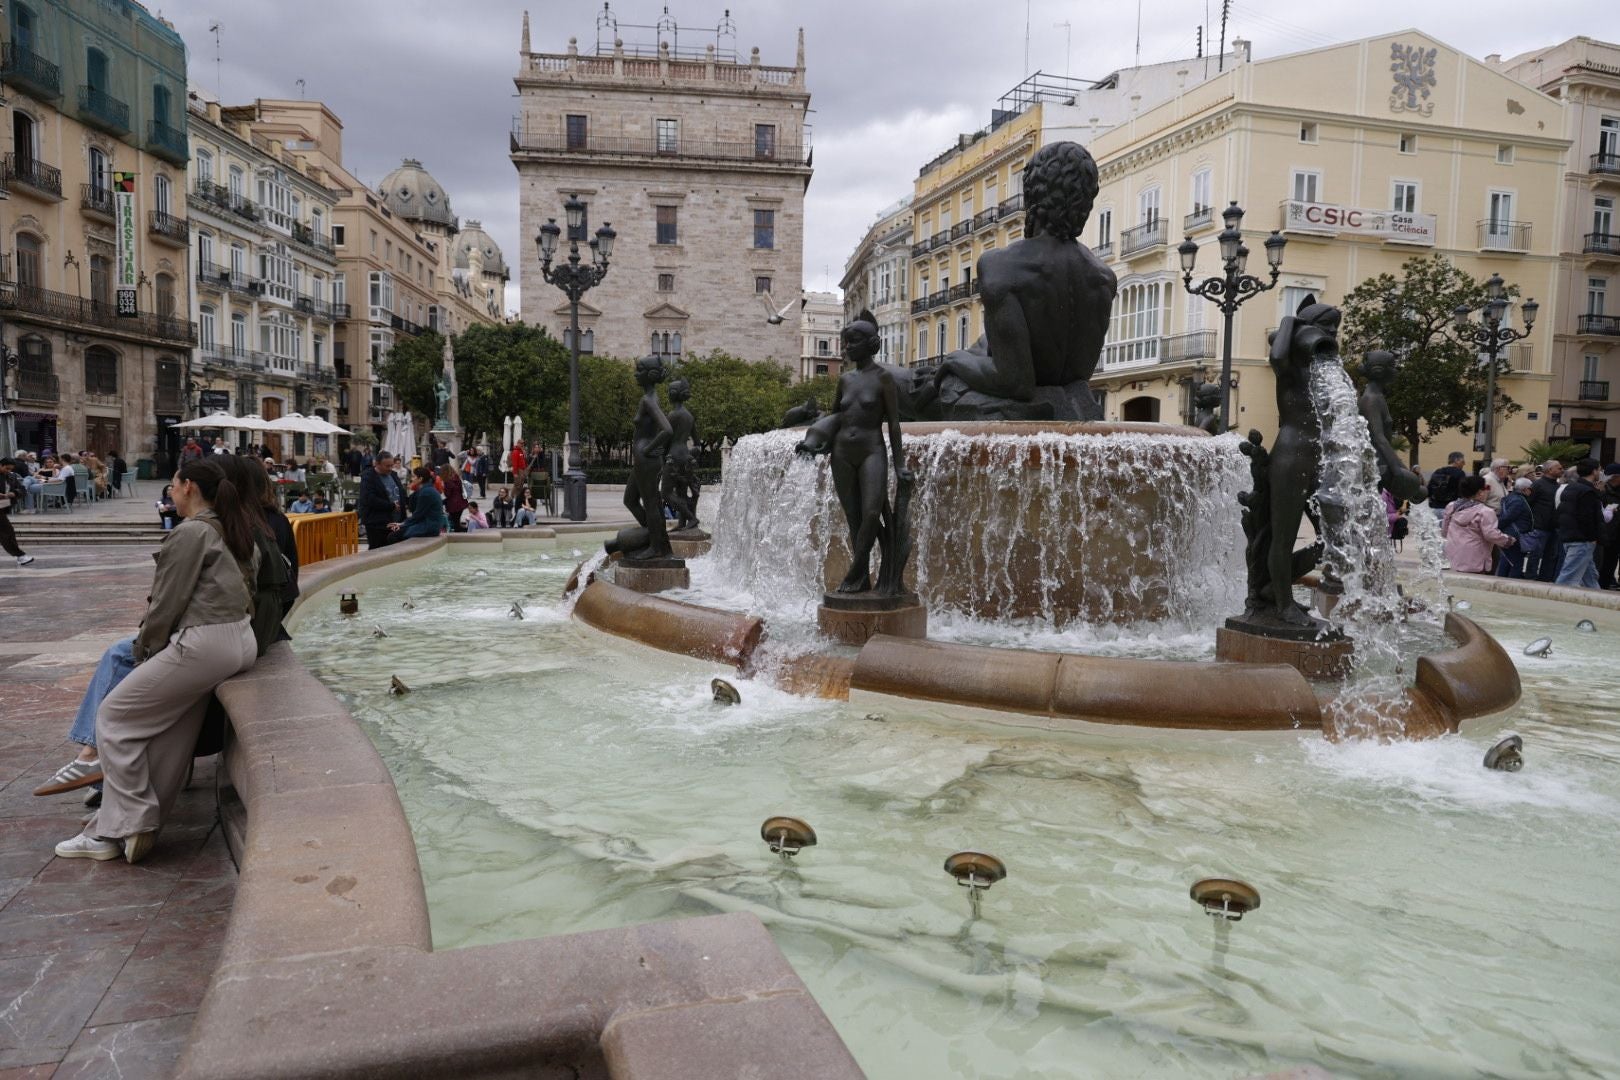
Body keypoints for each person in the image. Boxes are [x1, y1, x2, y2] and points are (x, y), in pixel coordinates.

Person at [52, 458, 260, 863]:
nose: (170, 491)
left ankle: (122, 824)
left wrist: (144, 651)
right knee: (172, 738)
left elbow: (166, 603)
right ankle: (128, 829)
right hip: (240, 639)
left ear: (190, 488)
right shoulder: (232, 527)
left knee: (112, 718)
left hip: (203, 643)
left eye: (174, 484)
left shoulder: (192, 531)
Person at [1442, 475, 1515, 574]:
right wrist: (1508, 540)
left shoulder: (1451, 507)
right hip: (1475, 560)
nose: (1487, 491)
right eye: (1486, 488)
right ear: (1480, 493)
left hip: (1452, 557)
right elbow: (1491, 534)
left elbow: (1444, 531)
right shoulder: (1485, 512)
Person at [1555, 458, 1604, 589]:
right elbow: (1586, 518)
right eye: (1599, 469)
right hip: (1582, 540)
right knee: (1567, 578)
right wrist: (1593, 538)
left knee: (1590, 577)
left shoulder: (1570, 488)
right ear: (1594, 471)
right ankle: (1554, 604)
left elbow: (1562, 512)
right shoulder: (1587, 491)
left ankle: (1596, 602)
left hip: (1570, 537)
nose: (1600, 472)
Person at [1525, 459, 1565, 582]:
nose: (1562, 470)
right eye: (1559, 468)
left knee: (1551, 555)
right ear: (1549, 470)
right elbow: (1527, 503)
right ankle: (1530, 578)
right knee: (1535, 554)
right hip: (1539, 526)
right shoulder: (1538, 485)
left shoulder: (1559, 486)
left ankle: (1545, 578)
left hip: (1554, 527)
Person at [358, 451, 405, 549]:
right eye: (387, 466)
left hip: (395, 521)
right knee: (377, 550)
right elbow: (369, 499)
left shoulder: (393, 475)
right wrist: (391, 506)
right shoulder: (368, 477)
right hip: (377, 523)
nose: (390, 468)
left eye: (391, 465)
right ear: (377, 464)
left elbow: (401, 492)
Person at [0, 458, 37, 566]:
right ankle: (20, 556)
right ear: (1, 465)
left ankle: (20, 556)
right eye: (6, 468)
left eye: (10, 469)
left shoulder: (11, 476)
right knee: (7, 532)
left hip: (3, 507)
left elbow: (22, 490)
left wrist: (14, 493)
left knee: (6, 532)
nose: (8, 471)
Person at [393, 466, 448, 539]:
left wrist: (402, 524)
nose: (412, 479)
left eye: (414, 476)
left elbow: (417, 514)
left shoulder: (426, 492)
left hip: (428, 527)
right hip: (430, 525)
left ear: (420, 479)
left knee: (394, 536)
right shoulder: (427, 489)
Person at [1495, 476, 1534, 578]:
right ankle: (1511, 586)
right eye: (1531, 488)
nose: (1532, 491)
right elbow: (1507, 518)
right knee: (1516, 563)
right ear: (1525, 489)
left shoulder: (1509, 497)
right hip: (1515, 536)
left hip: (1509, 533)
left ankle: (1500, 584)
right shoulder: (1518, 501)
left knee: (1507, 561)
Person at [1426, 451, 1467, 521]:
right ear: (1456, 460)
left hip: (1435, 508)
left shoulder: (1438, 471)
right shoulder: (1460, 473)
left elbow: (1429, 489)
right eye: (1462, 461)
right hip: (1451, 510)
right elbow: (1463, 492)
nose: (1464, 464)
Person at [1599, 463, 1620, 591]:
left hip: (1617, 533)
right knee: (1603, 562)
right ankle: (1601, 587)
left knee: (1612, 561)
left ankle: (1607, 584)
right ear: (1616, 477)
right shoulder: (1602, 490)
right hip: (1605, 533)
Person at [439, 463, 467, 532]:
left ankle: (464, 534)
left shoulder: (448, 481)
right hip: (460, 503)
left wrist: (443, 489)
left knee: (456, 524)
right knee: (456, 523)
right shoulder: (456, 477)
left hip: (453, 505)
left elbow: (448, 494)